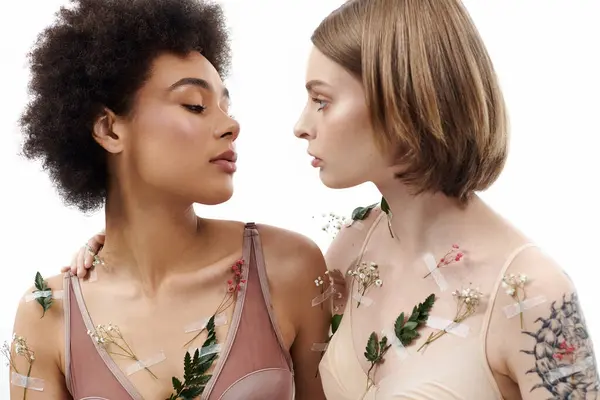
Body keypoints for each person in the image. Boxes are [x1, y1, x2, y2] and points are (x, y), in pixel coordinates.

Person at [70, 0, 600, 399]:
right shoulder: (353, 247)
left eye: (322, 101)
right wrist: (117, 248)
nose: (301, 126)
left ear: (405, 100)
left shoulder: (532, 294)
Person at [9, 0, 328, 399]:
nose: (231, 125)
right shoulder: (47, 313)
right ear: (109, 130)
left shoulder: (289, 268)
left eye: (225, 107)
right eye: (195, 105)